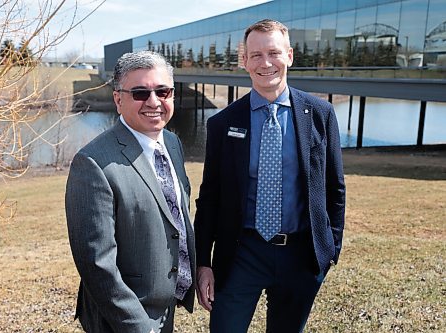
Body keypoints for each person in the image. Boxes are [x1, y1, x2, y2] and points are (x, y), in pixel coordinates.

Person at [194, 19, 346, 333]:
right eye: (256, 55)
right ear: (244, 62)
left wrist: (331, 248)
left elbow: (335, 187)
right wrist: (203, 262)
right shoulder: (223, 123)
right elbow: (210, 198)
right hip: (240, 254)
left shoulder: (320, 114)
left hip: (300, 256)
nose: (266, 63)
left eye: (274, 53)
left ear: (289, 55)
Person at [65, 51, 195, 333]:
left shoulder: (172, 143)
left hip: (164, 305)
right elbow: (96, 262)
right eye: (140, 93)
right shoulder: (93, 163)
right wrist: (137, 326)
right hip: (124, 318)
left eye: (163, 91)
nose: (153, 102)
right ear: (117, 99)